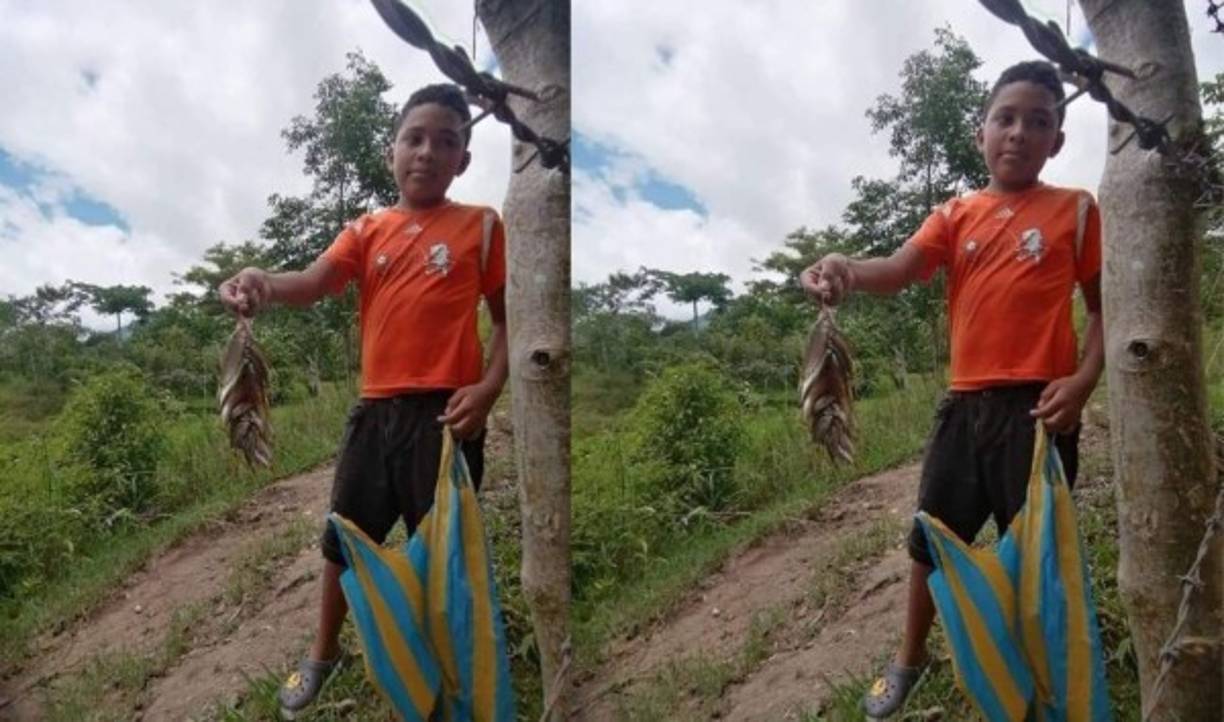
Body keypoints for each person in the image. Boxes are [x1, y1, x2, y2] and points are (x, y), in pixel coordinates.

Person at [800, 60, 1104, 718]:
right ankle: (909, 657)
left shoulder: (1076, 211)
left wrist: (1084, 380)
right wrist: (842, 268)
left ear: (1057, 139)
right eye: (1006, 117)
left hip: (1041, 412)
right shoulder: (955, 213)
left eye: (1039, 121)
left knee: (1036, 550)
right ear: (980, 132)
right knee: (931, 538)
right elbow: (901, 268)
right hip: (964, 409)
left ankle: (1036, 666)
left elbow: (1106, 308)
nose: (1019, 132)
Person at [219, 83, 509, 717]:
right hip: (374, 413)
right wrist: (260, 281)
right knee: (343, 537)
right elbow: (315, 281)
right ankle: (323, 652)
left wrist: (488, 391)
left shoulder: (482, 227)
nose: (428, 152)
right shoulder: (367, 229)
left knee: (443, 549)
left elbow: (511, 320)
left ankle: (444, 663)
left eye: (446, 141)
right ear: (391, 151)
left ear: (463, 159)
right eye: (415, 138)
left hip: (448, 417)